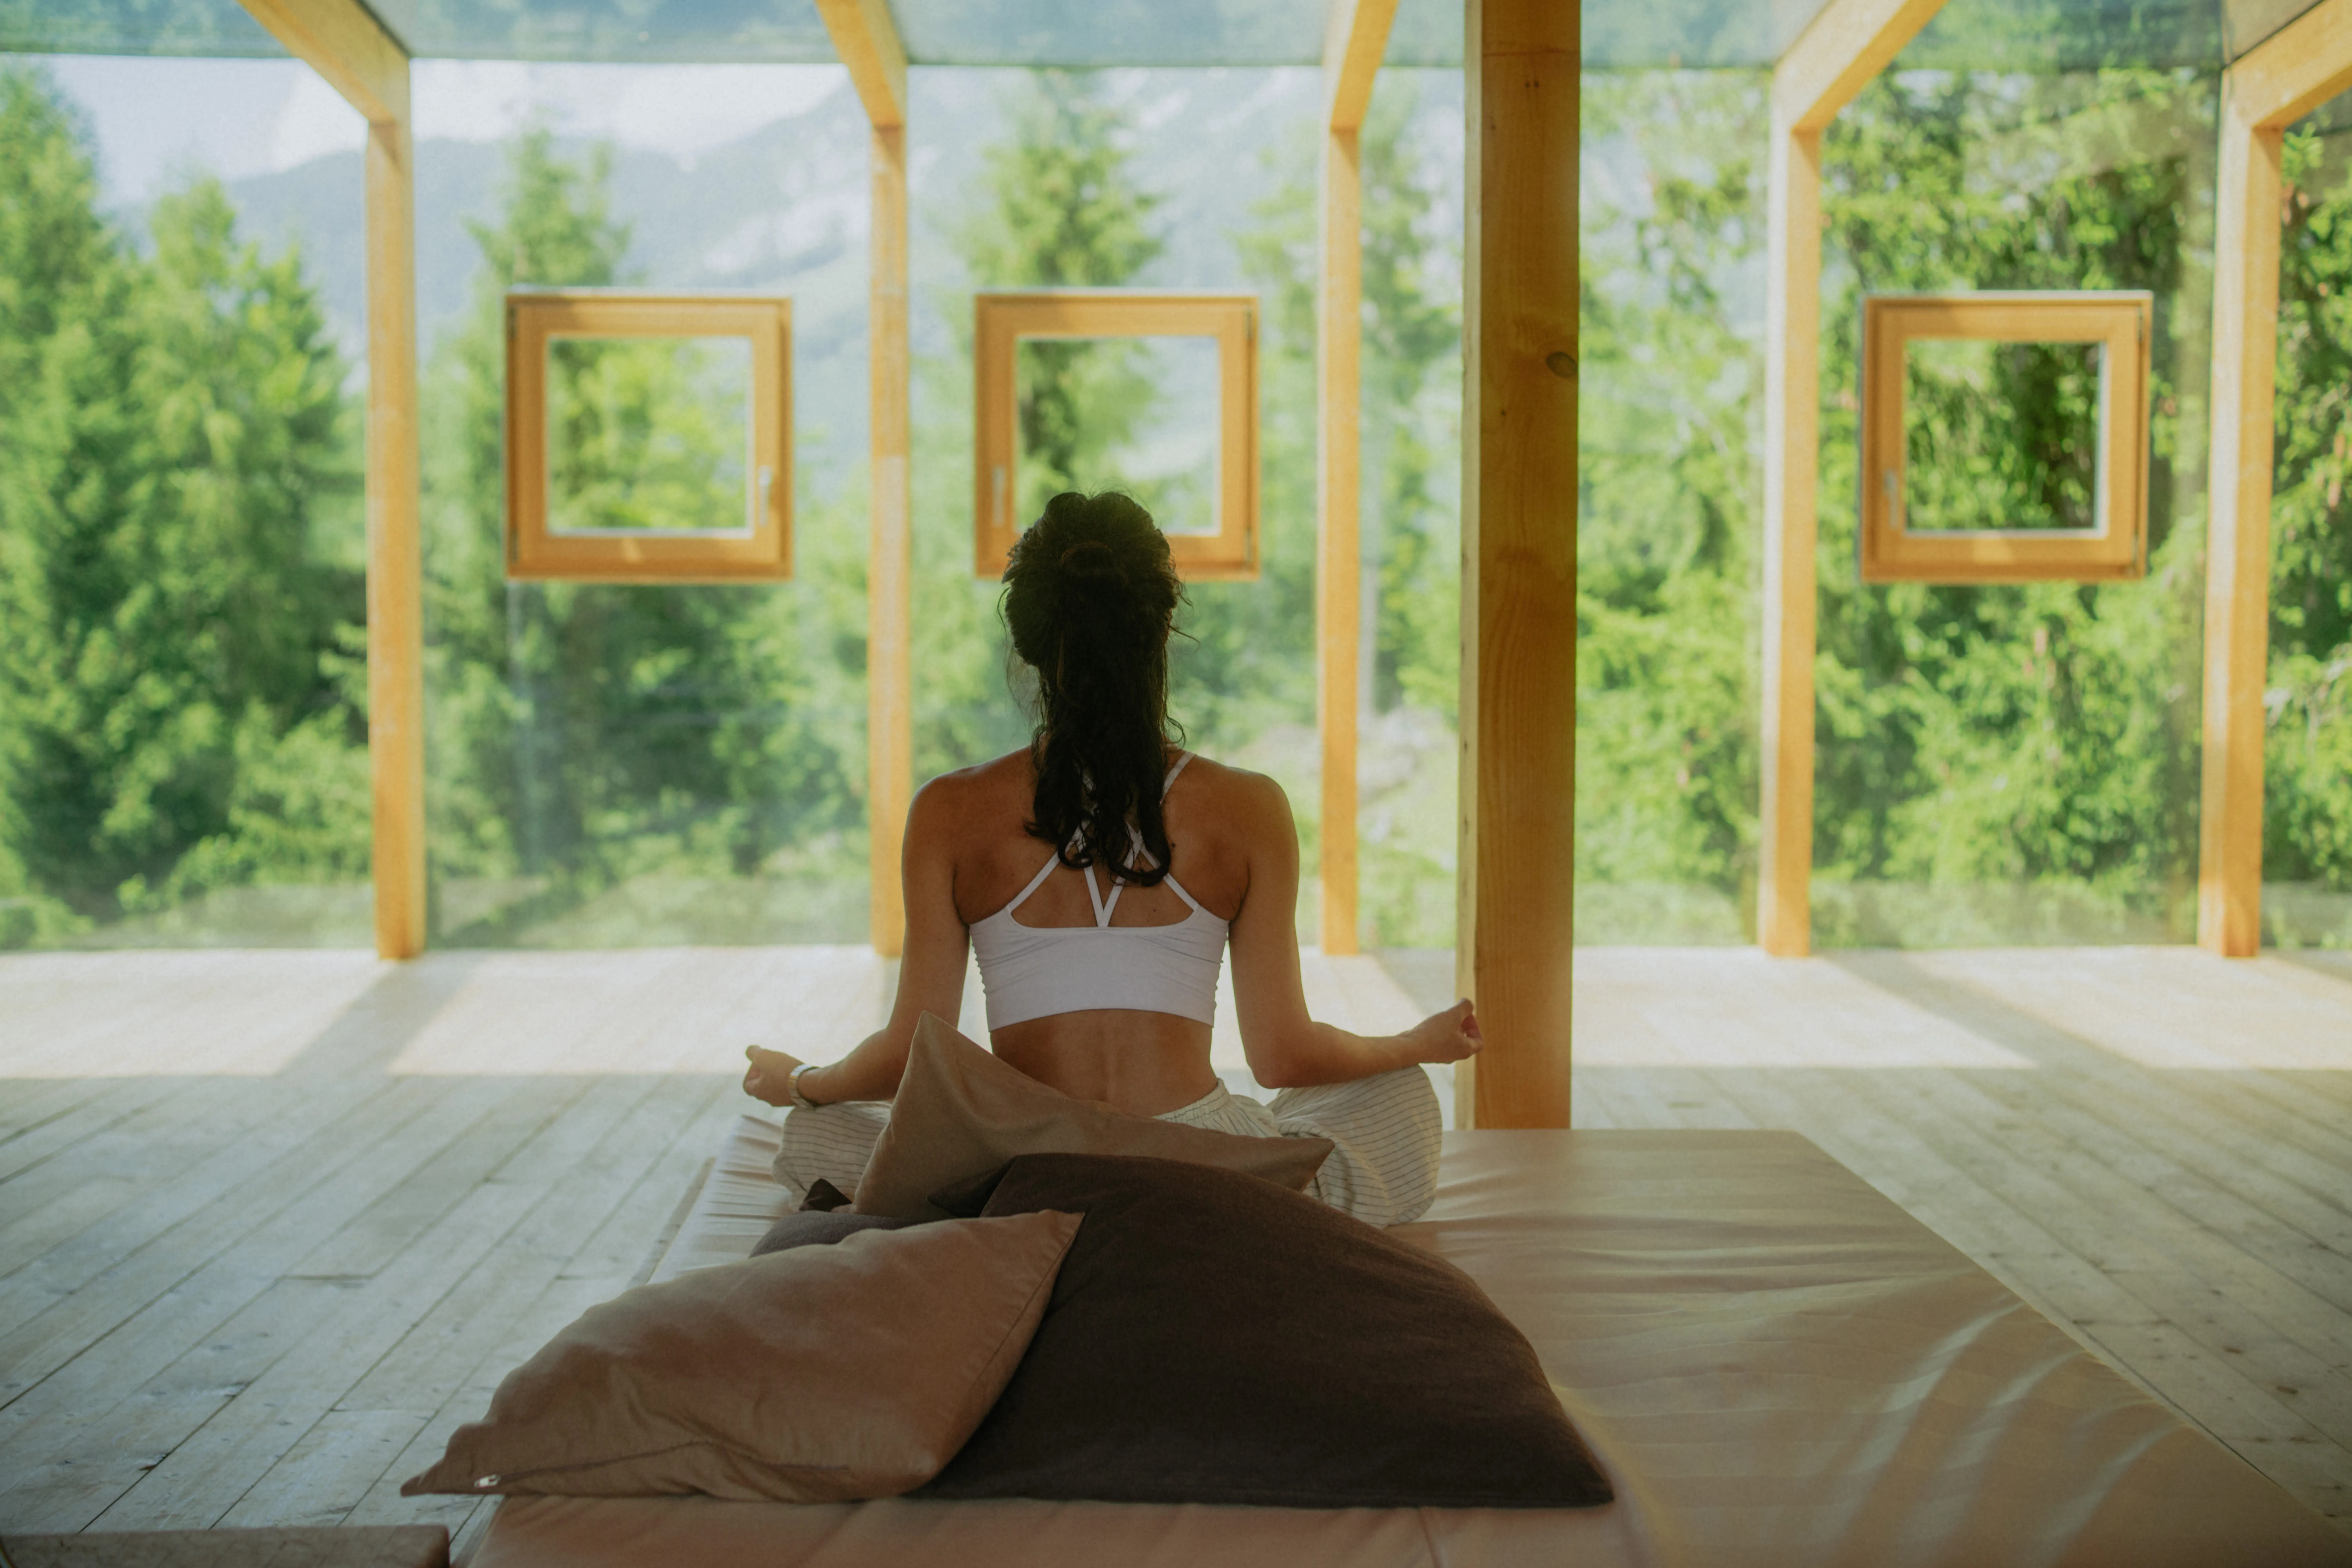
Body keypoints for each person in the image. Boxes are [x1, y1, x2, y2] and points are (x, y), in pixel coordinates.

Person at [742, 490, 1479, 1226]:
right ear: (1160, 629)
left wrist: (803, 1081)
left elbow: (906, 1056)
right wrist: (1413, 1042)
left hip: (1028, 1177)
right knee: (1396, 1092)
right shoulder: (1251, 807)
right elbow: (1283, 1057)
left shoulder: (948, 809)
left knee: (816, 1130)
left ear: (1028, 640)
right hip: (1202, 1175)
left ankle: (1023, 1234)